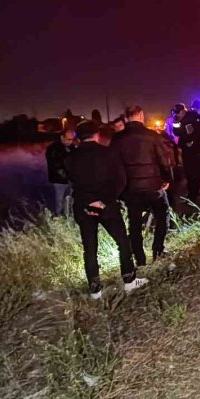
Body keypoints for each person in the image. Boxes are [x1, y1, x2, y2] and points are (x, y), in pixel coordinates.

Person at [65, 120, 147, 299]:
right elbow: (121, 180)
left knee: (90, 247)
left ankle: (95, 290)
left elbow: (72, 180)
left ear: (78, 138)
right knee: (122, 242)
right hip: (107, 206)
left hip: (83, 207)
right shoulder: (108, 152)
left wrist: (89, 202)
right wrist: (104, 201)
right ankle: (129, 280)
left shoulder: (70, 157)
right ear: (97, 135)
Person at [111, 105, 173, 265]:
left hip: (131, 190)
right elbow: (164, 161)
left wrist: (119, 189)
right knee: (163, 215)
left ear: (126, 118)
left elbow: (113, 166)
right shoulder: (152, 136)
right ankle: (158, 249)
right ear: (141, 115)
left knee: (135, 223)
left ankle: (140, 258)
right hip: (153, 186)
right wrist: (166, 179)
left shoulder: (118, 139)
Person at [177, 101, 200, 201]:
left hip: (194, 149)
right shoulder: (178, 119)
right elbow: (177, 132)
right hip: (186, 148)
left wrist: (192, 141)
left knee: (193, 171)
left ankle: (193, 193)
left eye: (178, 112)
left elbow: (197, 132)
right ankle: (192, 192)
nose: (177, 115)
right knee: (188, 172)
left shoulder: (192, 117)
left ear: (183, 110)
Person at [45, 128, 77, 215]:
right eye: (68, 139)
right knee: (59, 202)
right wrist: (69, 177)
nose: (71, 141)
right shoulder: (53, 149)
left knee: (70, 201)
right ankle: (58, 218)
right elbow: (55, 166)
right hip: (59, 180)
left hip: (70, 180)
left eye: (72, 139)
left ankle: (68, 217)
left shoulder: (72, 147)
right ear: (62, 137)